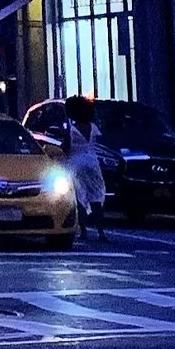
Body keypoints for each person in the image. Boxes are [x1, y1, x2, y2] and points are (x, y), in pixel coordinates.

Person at [61, 94, 109, 242]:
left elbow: (66, 147)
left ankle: (83, 230)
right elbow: (98, 142)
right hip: (92, 162)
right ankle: (101, 232)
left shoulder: (72, 129)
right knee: (96, 196)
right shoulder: (93, 127)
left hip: (76, 163)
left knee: (80, 196)